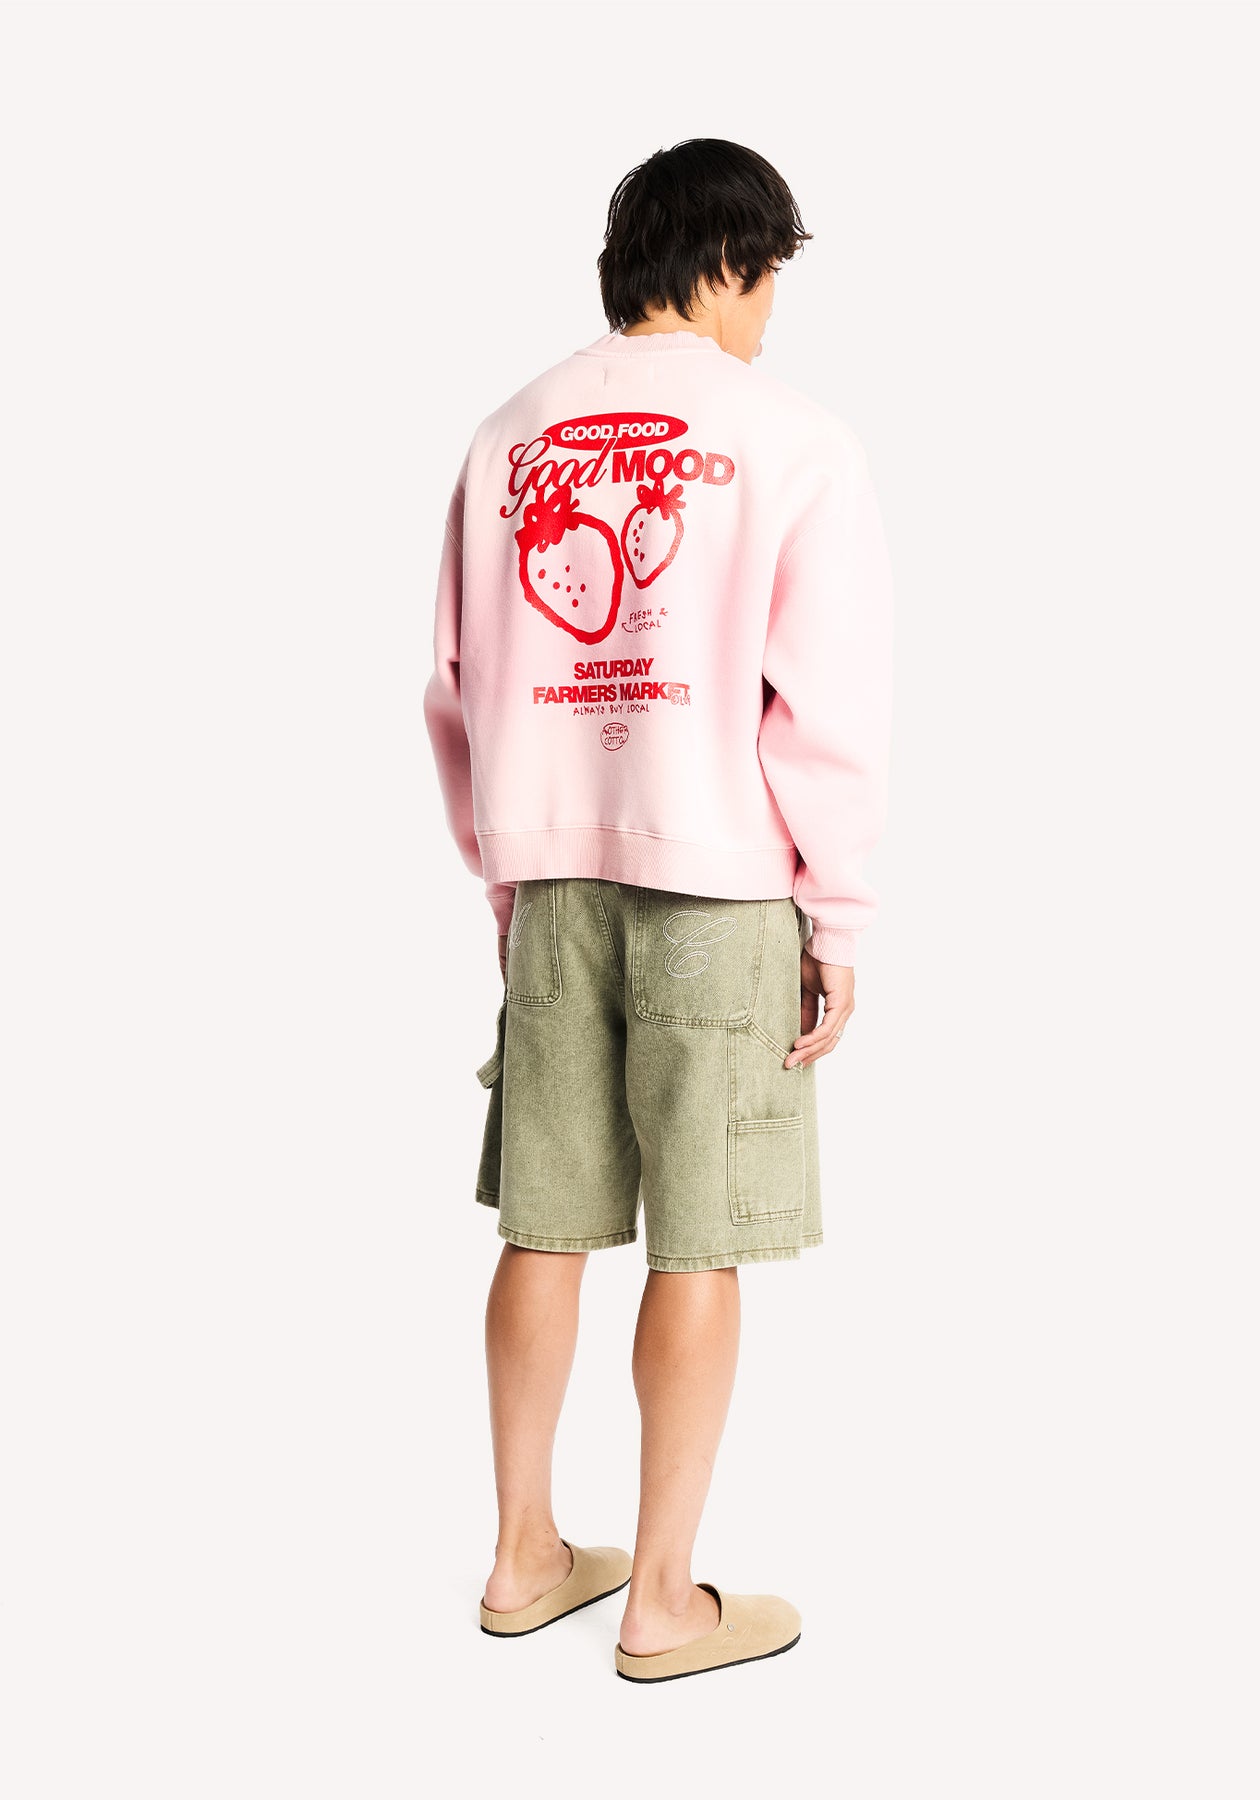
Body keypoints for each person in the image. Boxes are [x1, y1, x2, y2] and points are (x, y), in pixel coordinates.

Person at [423, 138, 894, 1682]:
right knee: (699, 1245)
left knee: (544, 1224)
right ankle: (664, 1598)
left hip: (553, 885)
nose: (768, 317)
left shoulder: (509, 431)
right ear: (729, 261)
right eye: (769, 283)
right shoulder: (793, 440)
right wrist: (838, 921)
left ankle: (522, 1556)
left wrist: (510, 872)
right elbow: (823, 711)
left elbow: (457, 687)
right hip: (720, 885)